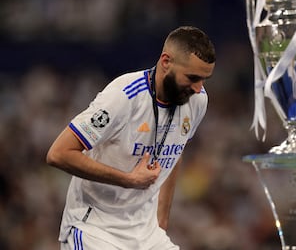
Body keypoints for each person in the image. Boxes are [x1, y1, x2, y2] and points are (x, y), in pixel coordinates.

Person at [46, 26, 216, 250]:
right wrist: (128, 179)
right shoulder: (123, 95)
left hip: (147, 233)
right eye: (192, 77)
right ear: (166, 61)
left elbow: (177, 149)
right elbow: (58, 154)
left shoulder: (197, 101)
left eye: (204, 79)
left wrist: (161, 221)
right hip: (95, 229)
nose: (198, 88)